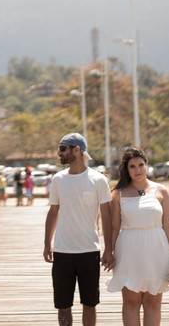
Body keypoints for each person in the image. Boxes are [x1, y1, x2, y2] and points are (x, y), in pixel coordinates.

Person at [107, 146, 169, 326]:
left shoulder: (161, 191)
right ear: (126, 169)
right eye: (132, 166)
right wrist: (109, 252)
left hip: (157, 249)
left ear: (146, 165)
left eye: (141, 165)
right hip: (129, 250)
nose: (137, 170)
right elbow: (114, 227)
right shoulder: (118, 194)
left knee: (153, 302)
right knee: (131, 301)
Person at [43, 133, 113, 326]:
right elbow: (53, 212)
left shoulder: (98, 180)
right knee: (63, 305)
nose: (59, 153)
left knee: (90, 303)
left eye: (63, 148)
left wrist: (109, 249)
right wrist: (47, 243)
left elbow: (107, 216)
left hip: (89, 251)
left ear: (77, 150)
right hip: (62, 251)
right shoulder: (58, 179)